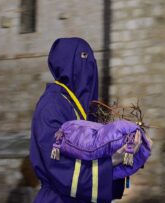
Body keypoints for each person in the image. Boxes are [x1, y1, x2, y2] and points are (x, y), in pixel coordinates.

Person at [29, 38, 142, 203]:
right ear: (66, 61)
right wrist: (112, 162)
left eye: (90, 59)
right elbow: (60, 169)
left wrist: (123, 154)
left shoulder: (82, 109)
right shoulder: (51, 105)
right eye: (82, 57)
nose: (88, 66)